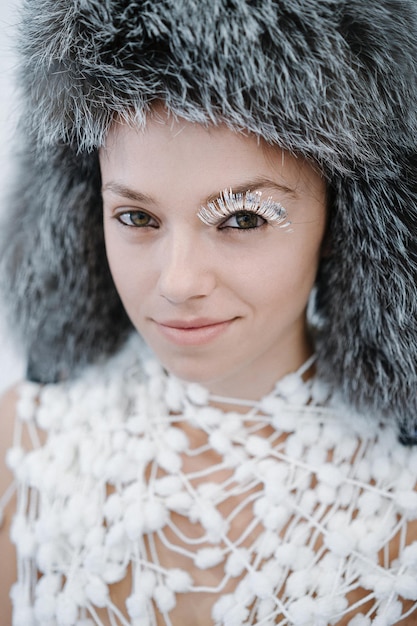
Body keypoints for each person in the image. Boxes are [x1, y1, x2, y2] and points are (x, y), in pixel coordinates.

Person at [1, 0, 417, 624]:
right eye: (137, 217)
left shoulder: (403, 502)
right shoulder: (19, 451)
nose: (178, 282)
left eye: (243, 219)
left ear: (347, 220)